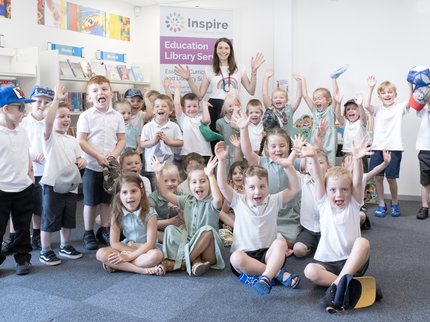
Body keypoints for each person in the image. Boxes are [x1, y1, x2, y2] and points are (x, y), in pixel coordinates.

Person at [215, 141, 301, 295]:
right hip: (246, 255)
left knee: (280, 244)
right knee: (235, 258)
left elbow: (295, 189)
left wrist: (288, 166)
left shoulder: (274, 200)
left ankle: (265, 277)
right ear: (244, 188)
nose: (257, 192)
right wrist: (222, 161)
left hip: (268, 253)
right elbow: (222, 185)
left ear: (268, 186)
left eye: (262, 187)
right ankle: (278, 274)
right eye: (252, 187)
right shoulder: (238, 200)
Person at [301, 138, 372, 309]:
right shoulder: (324, 203)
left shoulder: (354, 204)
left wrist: (357, 159)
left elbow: (357, 181)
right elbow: (318, 178)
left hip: (352, 261)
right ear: (326, 191)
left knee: (363, 243)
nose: (338, 194)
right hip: (328, 263)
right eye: (333, 190)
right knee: (309, 271)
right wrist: (312, 156)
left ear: (351, 191)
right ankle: (348, 286)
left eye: (344, 189)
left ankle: (336, 286)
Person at [234, 110, 301, 249]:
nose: (278, 149)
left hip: (289, 215)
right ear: (267, 147)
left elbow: (312, 163)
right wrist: (243, 128)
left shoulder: (292, 161)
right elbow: (247, 151)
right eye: (273, 146)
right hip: (267, 213)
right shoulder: (261, 161)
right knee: (264, 238)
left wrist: (312, 145)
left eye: (282, 146)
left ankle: (281, 244)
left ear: (289, 146)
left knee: (293, 239)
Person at [153, 156, 225, 276]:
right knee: (170, 229)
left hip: (209, 250)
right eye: (194, 182)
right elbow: (165, 193)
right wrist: (158, 173)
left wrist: (211, 175)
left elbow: (218, 200)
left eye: (203, 181)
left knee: (207, 230)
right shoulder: (187, 200)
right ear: (189, 185)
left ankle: (183, 263)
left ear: (209, 183)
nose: (199, 185)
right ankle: (195, 261)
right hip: (190, 244)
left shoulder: (211, 201)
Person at [39, 85, 86, 265]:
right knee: (50, 218)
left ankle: (65, 245)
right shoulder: (49, 137)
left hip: (71, 185)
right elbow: (48, 122)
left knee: (68, 218)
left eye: (68, 116)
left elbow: (80, 158)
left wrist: (82, 161)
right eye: (61, 116)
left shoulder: (73, 140)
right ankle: (46, 249)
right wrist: (56, 100)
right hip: (52, 185)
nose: (66, 119)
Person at [77, 75, 126, 250]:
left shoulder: (117, 117)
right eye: (95, 90)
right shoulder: (86, 116)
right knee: (90, 202)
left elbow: (121, 140)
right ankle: (88, 232)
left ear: (111, 93)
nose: (101, 93)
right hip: (91, 166)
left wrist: (113, 155)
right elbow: (81, 141)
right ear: (89, 97)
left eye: (104, 89)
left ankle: (104, 229)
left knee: (107, 201)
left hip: (110, 169)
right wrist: (98, 156)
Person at [174, 37, 265, 131]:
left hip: (233, 106)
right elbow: (200, 95)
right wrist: (189, 79)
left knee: (233, 136)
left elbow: (251, 90)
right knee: (215, 140)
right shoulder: (209, 69)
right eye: (220, 48)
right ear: (216, 51)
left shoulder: (240, 68)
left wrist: (254, 72)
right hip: (215, 106)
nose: (223, 51)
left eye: (226, 48)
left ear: (230, 51)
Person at [9, 85, 54, 253]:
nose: (42, 105)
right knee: (19, 207)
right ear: (30, 102)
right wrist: (31, 155)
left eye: (46, 103)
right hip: (24, 170)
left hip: (44, 171)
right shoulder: (23, 122)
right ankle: (14, 237)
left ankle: (36, 233)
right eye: (38, 101)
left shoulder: (50, 123)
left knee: (38, 206)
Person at [96, 173, 165, 275]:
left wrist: (128, 257)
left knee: (156, 256)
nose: (129, 196)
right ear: (119, 195)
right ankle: (140, 270)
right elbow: (114, 243)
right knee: (100, 254)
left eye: (133, 191)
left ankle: (120, 266)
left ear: (141, 192)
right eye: (124, 192)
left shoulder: (150, 213)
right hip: (127, 246)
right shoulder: (116, 214)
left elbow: (150, 244)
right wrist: (129, 253)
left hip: (147, 250)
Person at [0, 85, 36, 275]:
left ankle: (23, 258)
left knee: (22, 226)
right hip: (2, 189)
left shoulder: (22, 131)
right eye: (20, 107)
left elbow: (26, 152)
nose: (24, 111)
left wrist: (29, 172)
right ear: (6, 108)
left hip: (23, 187)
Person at [364, 76, 410, 217]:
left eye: (390, 92)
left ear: (395, 95)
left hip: (394, 148)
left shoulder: (399, 107)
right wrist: (371, 88)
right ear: (379, 96)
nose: (387, 95)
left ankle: (395, 203)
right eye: (383, 93)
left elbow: (410, 102)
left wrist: (410, 86)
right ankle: (381, 204)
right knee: (378, 177)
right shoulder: (377, 109)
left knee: (391, 178)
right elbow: (366, 105)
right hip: (378, 147)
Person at [293, 148, 330, 258]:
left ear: (328, 165)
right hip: (308, 229)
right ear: (306, 167)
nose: (315, 165)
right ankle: (313, 247)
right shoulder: (303, 180)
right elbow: (288, 167)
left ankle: (321, 246)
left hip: (327, 229)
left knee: (330, 253)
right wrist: (295, 151)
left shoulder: (332, 182)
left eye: (320, 162)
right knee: (298, 250)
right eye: (311, 163)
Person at [341, 149, 391, 229]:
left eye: (354, 160)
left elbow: (375, 171)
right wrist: (349, 172)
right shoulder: (339, 178)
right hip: (342, 207)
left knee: (362, 216)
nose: (352, 163)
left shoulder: (362, 177)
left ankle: (350, 226)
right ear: (342, 164)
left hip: (357, 209)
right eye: (350, 160)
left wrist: (385, 163)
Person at [141, 94, 183, 186]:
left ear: (170, 111)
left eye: (164, 106)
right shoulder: (148, 127)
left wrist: (169, 142)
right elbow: (142, 144)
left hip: (168, 165)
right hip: (151, 167)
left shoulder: (174, 126)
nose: (160, 108)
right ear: (153, 111)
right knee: (153, 188)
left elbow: (181, 142)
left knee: (166, 187)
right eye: (157, 106)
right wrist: (154, 141)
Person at [301, 75, 340, 166]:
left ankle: (328, 177)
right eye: (314, 99)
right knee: (314, 159)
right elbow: (305, 95)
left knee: (329, 160)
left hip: (329, 139)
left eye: (319, 98)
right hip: (316, 138)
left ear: (328, 100)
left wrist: (334, 79)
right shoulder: (314, 110)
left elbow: (336, 94)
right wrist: (303, 79)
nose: (316, 101)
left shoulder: (330, 110)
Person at [173, 81, 212, 159]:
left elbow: (207, 120)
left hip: (204, 153)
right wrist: (177, 89)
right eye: (188, 106)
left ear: (198, 107)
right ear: (183, 108)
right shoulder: (183, 119)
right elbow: (177, 104)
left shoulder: (201, 118)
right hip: (187, 153)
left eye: (195, 106)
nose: (192, 109)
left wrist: (205, 106)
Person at [148, 163, 184, 242]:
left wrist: (179, 210)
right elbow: (148, 223)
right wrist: (170, 222)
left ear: (178, 181)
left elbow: (187, 217)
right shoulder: (153, 198)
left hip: (177, 229)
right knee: (149, 232)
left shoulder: (181, 195)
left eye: (173, 180)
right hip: (159, 230)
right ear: (158, 182)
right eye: (165, 181)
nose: (170, 184)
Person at [262, 69, 303, 137]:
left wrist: (299, 82)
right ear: (272, 100)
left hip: (287, 141)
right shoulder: (271, 108)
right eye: (275, 98)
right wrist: (266, 78)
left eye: (281, 97)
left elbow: (298, 97)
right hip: (274, 141)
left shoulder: (290, 109)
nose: (278, 99)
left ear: (286, 100)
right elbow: (265, 94)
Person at [216, 93, 241, 170]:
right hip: (225, 155)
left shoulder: (241, 121)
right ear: (225, 108)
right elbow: (219, 139)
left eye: (235, 105)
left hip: (237, 155)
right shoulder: (220, 122)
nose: (233, 108)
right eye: (230, 106)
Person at [416, 104, 430, 220]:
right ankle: (424, 207)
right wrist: (410, 86)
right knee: (425, 182)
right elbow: (415, 103)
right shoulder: (424, 110)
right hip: (425, 150)